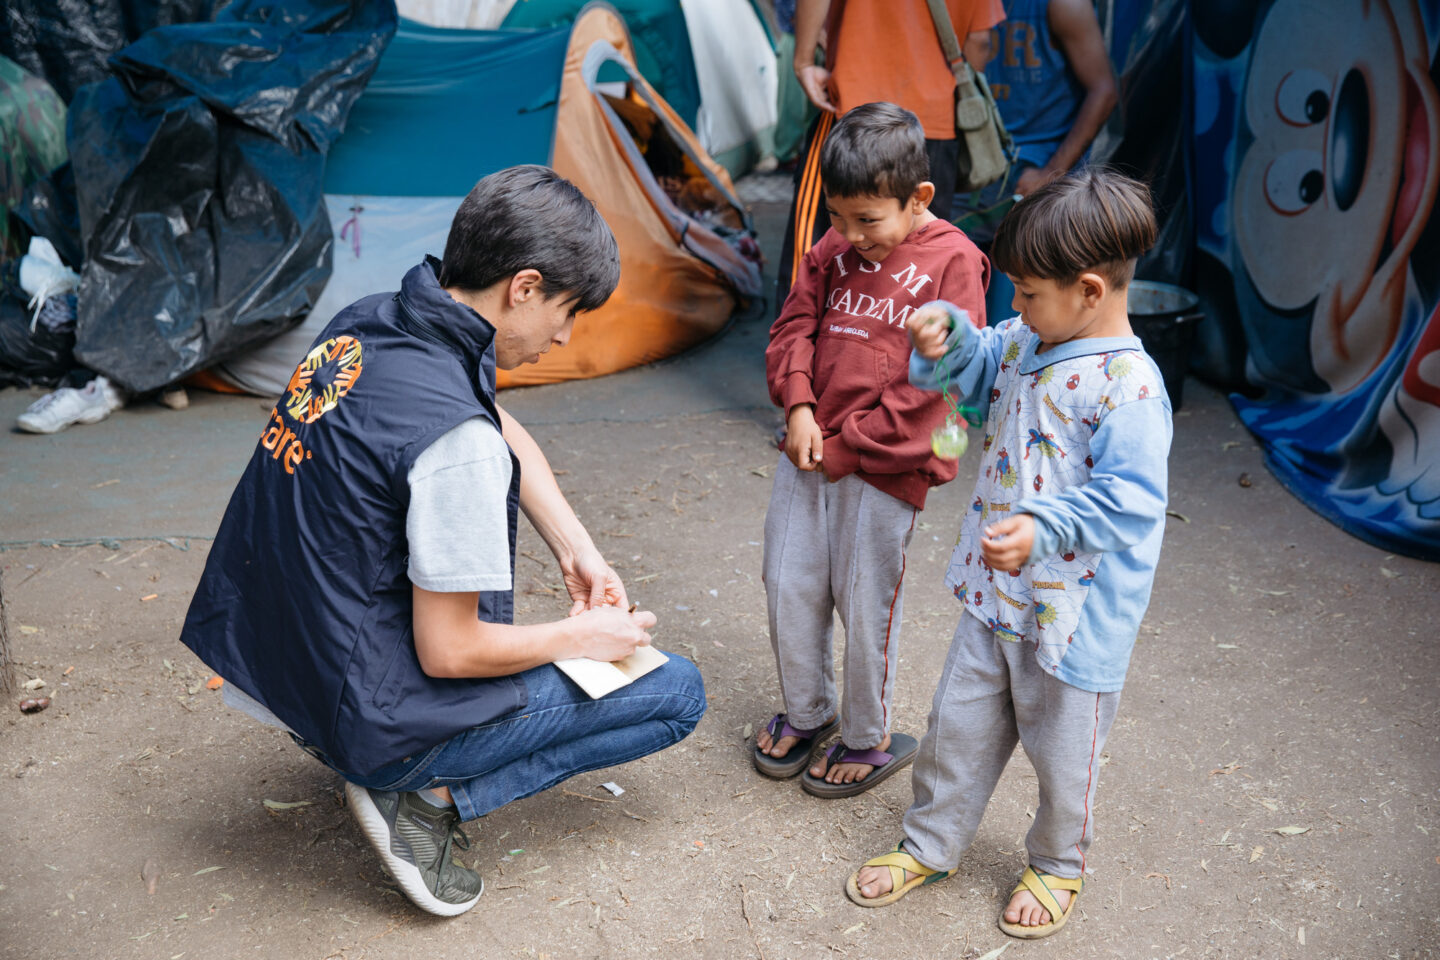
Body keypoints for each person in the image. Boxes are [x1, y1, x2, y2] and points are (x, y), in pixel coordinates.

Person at [178, 165, 706, 918]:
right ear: (523, 287)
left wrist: (574, 545)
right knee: (676, 693)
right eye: (567, 311)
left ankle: (395, 763)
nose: (564, 334)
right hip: (368, 716)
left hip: (280, 666)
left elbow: (488, 417)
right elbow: (450, 653)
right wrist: (580, 637)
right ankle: (425, 792)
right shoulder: (457, 444)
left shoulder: (371, 321)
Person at [845, 169, 1170, 941]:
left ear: (1089, 290)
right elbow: (983, 367)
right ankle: (930, 843)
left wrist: (1043, 526)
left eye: (1025, 292)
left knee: (1065, 758)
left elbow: (1132, 502)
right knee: (956, 728)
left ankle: (1058, 863)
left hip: (1072, 621)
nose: (1013, 308)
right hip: (994, 598)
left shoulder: (1128, 389)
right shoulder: (1032, 336)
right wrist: (948, 341)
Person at [754, 102, 989, 798]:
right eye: (839, 218)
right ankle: (806, 713)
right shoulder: (831, 248)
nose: (852, 238)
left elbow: (942, 389)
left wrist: (847, 447)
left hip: (884, 469)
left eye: (869, 221)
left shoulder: (954, 262)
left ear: (919, 199)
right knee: (788, 583)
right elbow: (792, 327)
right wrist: (798, 405)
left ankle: (867, 735)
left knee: (864, 603)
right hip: (808, 450)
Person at [778, 0, 1006, 304]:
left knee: (815, 258)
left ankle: (801, 346)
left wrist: (804, 60)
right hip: (933, 122)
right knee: (918, 263)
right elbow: (979, 39)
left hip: (852, 111)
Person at [957, 0, 1118, 320]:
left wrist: (1051, 172)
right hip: (975, 162)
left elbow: (1104, 90)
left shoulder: (1061, 5)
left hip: (1036, 167)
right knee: (951, 286)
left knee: (1015, 307)